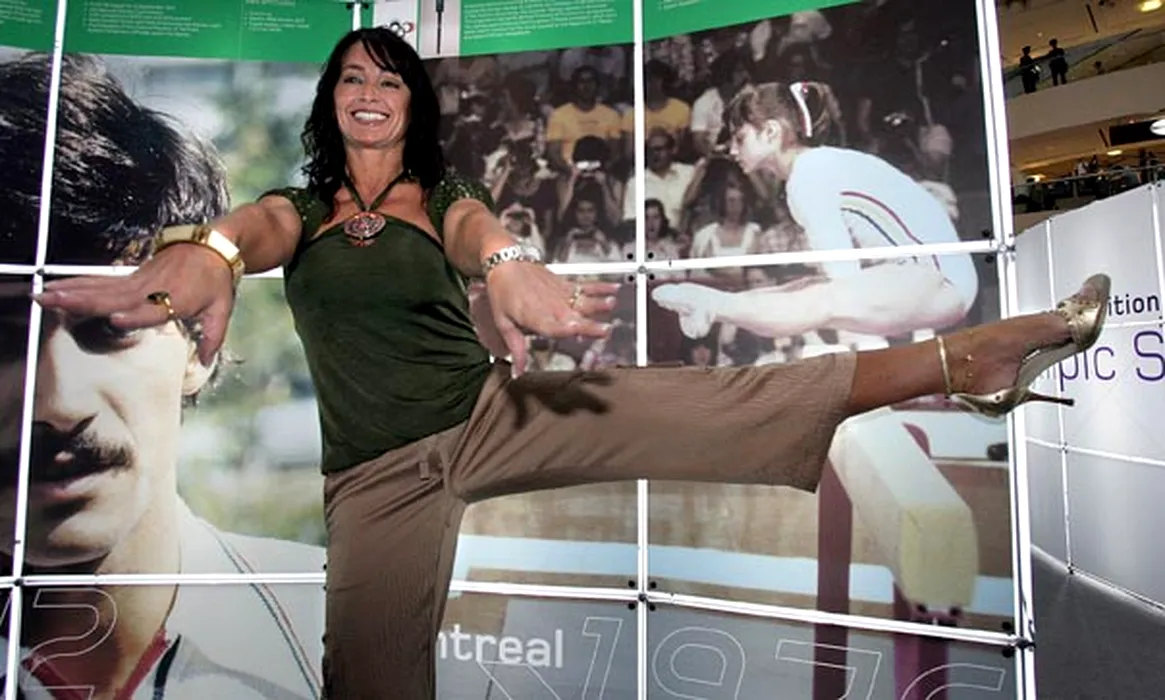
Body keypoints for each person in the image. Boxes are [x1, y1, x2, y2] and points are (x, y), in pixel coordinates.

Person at [32, 28, 1113, 700]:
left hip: (491, 415)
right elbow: (253, 232)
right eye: (351, 76)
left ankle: (962, 358)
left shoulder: (441, 196)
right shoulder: (299, 208)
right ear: (331, 102)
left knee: (718, 402)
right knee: (369, 680)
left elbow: (477, 234)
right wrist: (214, 253)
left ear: (409, 105)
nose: (369, 89)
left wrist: (508, 266)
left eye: (389, 78)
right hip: (374, 478)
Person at [0, 52, 325, 697]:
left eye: (113, 325)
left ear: (200, 346)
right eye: (3, 340)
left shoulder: (352, 626)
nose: (57, 402)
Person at [652, 81, 979, 343]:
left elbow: (844, 279)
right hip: (924, 276)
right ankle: (712, 305)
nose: (732, 150)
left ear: (771, 132)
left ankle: (716, 305)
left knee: (821, 299)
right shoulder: (815, 166)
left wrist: (856, 350)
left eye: (740, 138)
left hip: (941, 283)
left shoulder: (808, 176)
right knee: (807, 287)